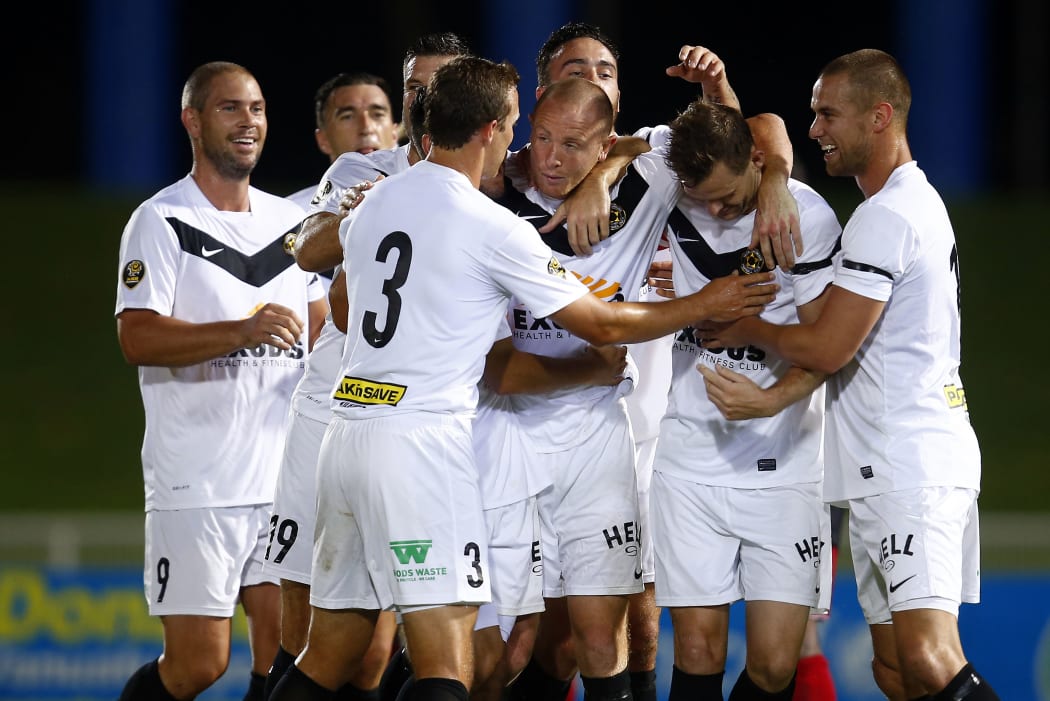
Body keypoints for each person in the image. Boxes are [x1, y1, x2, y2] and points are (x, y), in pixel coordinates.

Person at [270, 54, 778, 701]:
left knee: (329, 651)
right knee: (448, 664)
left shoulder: (379, 200)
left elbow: (342, 306)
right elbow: (603, 323)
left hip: (346, 434)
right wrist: (708, 303)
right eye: (517, 127)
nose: (519, 143)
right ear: (488, 129)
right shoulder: (491, 224)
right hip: (422, 445)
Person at [701, 49, 998, 700]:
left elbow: (829, 346)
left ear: (880, 117)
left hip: (909, 465)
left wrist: (743, 324)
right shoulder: (900, 206)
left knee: (926, 656)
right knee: (893, 668)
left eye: (828, 114)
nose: (815, 129)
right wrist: (723, 94)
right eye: (811, 114)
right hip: (882, 467)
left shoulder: (887, 216)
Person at [511, 26, 798, 701]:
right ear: (541, 92)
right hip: (517, 427)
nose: (594, 74)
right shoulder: (501, 180)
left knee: (628, 628)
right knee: (534, 641)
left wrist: (777, 173)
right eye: (575, 67)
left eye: (605, 67)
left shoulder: (651, 165)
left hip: (636, 429)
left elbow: (748, 134)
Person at [262, 36, 474, 701]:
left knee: (377, 647)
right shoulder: (362, 172)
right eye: (415, 86)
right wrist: (364, 213)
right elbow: (309, 250)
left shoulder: (485, 183)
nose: (423, 96)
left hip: (414, 423)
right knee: (305, 635)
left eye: (438, 85)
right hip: (330, 408)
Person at [113, 61, 328, 701]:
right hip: (198, 482)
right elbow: (138, 337)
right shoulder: (159, 220)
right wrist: (241, 330)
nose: (249, 122)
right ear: (193, 120)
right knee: (198, 666)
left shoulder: (291, 228)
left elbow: (324, 331)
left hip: (282, 480)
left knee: (288, 652)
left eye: (258, 109)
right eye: (231, 108)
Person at [287, 71, 400, 210]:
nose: (366, 127)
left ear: (394, 132)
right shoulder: (292, 214)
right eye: (348, 116)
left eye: (377, 115)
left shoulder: (428, 199)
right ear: (323, 140)